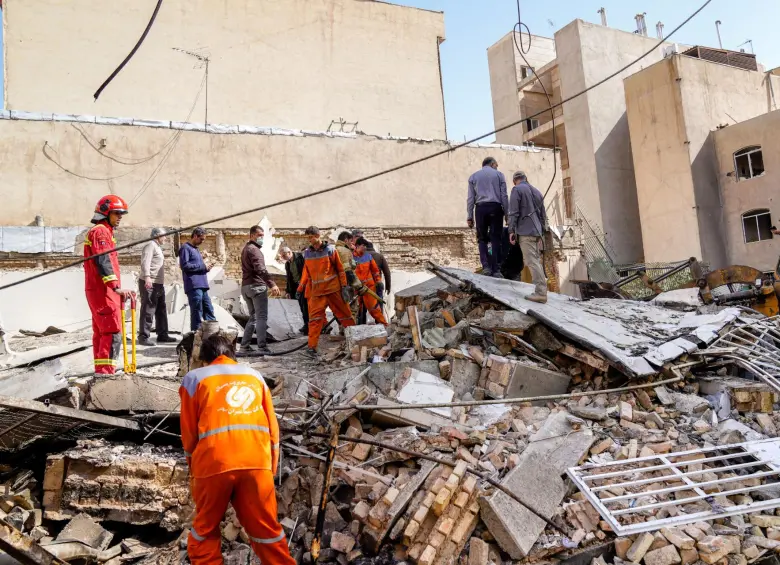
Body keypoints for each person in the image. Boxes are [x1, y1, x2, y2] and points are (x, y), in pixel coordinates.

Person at [180, 334, 295, 565]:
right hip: (257, 464)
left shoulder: (193, 379)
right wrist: (269, 468)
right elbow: (273, 429)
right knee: (267, 531)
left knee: (205, 532)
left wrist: (194, 469)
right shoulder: (254, 376)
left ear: (205, 359)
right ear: (232, 355)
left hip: (213, 464)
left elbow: (189, 434)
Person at [84, 195, 134, 375]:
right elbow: (102, 260)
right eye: (117, 213)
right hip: (103, 291)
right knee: (112, 331)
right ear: (106, 212)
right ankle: (106, 374)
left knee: (102, 333)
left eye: (121, 213)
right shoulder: (101, 232)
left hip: (100, 290)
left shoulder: (103, 231)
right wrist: (115, 287)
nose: (120, 216)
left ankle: (101, 372)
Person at [297, 226, 355, 357]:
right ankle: (312, 347)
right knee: (314, 320)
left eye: (311, 237)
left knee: (346, 316)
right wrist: (300, 288)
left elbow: (340, 269)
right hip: (317, 293)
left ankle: (357, 340)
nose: (309, 240)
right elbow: (306, 273)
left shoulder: (330, 250)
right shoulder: (307, 253)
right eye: (308, 238)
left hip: (333, 290)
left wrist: (344, 286)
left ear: (318, 235)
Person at [508, 171, 548, 303]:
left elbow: (513, 212)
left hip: (526, 232)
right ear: (526, 178)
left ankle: (541, 293)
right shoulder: (537, 191)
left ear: (515, 181)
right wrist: (542, 232)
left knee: (532, 262)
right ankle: (541, 290)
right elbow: (543, 216)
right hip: (537, 232)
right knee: (536, 260)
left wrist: (511, 230)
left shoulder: (516, 190)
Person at [240, 226, 281, 354]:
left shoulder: (246, 249)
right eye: (259, 235)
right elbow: (261, 270)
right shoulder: (255, 250)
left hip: (246, 287)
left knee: (253, 318)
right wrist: (272, 284)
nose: (261, 238)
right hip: (257, 287)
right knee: (261, 317)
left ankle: (244, 346)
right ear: (252, 235)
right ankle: (262, 347)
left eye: (263, 235)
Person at [467, 157, 508, 278]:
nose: (497, 167)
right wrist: (507, 214)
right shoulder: (499, 175)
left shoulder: (473, 177)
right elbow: (504, 196)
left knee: (482, 239)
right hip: (496, 208)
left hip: (480, 209)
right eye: (496, 165)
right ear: (492, 164)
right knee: (496, 239)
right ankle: (496, 269)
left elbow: (470, 198)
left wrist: (469, 216)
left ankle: (485, 267)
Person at [138, 227, 176, 346]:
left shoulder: (158, 247)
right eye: (164, 235)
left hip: (158, 283)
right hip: (151, 281)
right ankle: (143, 337)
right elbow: (145, 262)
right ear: (158, 235)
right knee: (148, 309)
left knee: (161, 309)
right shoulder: (150, 245)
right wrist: (147, 277)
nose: (165, 238)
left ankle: (162, 335)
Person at [179, 227, 216, 331]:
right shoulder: (185, 248)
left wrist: (206, 268)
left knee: (208, 310)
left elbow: (197, 266)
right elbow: (184, 266)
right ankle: (196, 336)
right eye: (201, 239)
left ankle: (212, 335)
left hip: (202, 285)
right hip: (194, 285)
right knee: (197, 312)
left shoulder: (196, 249)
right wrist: (202, 267)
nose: (202, 241)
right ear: (195, 236)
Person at [353, 238, 388, 326]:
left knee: (374, 309)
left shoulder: (368, 256)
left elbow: (375, 271)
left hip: (369, 288)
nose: (365, 247)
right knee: (357, 310)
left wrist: (378, 281)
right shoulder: (351, 257)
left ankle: (384, 325)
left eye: (365, 246)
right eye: (363, 246)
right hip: (356, 288)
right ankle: (357, 328)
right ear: (357, 246)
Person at [279, 246, 309, 335]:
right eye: (282, 256)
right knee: (301, 306)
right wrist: (288, 291)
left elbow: (306, 271)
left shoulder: (300, 258)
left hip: (305, 285)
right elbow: (289, 278)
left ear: (289, 252)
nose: (283, 258)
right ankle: (306, 324)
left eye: (284, 255)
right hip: (296, 286)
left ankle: (308, 325)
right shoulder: (287, 264)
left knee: (305, 306)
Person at [335, 231, 361, 323]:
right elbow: (347, 270)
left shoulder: (335, 249)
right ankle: (350, 328)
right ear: (346, 240)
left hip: (335, 284)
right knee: (352, 307)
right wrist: (357, 284)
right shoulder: (345, 251)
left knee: (340, 309)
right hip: (347, 284)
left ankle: (342, 328)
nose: (352, 243)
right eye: (350, 241)